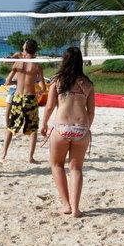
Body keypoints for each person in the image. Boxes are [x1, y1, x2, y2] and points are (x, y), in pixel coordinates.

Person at [41, 47, 94, 217]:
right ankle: (76, 208)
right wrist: (87, 128)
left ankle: (66, 205)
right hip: (81, 129)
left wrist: (44, 124)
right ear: (80, 61)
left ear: (64, 60)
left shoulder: (57, 81)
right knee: (76, 168)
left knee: (56, 165)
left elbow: (49, 107)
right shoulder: (87, 83)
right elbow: (91, 111)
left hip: (62, 128)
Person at [1, 39, 46, 163]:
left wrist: (17, 82)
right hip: (30, 98)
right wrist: (39, 91)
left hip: (17, 97)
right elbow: (43, 87)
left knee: (11, 126)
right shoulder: (37, 65)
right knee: (33, 129)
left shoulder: (18, 63)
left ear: (25, 48)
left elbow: (7, 81)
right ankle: (30, 157)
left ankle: (4, 154)